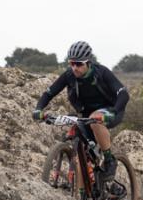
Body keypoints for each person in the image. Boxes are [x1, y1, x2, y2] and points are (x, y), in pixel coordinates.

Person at [32, 41, 129, 189]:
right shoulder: (69, 75)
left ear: (88, 63)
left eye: (78, 64)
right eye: (71, 63)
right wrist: (39, 109)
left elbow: (123, 94)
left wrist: (113, 112)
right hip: (86, 114)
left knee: (96, 119)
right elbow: (49, 93)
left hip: (110, 111)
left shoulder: (102, 72)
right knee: (81, 153)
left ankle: (109, 160)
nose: (74, 67)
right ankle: (84, 195)